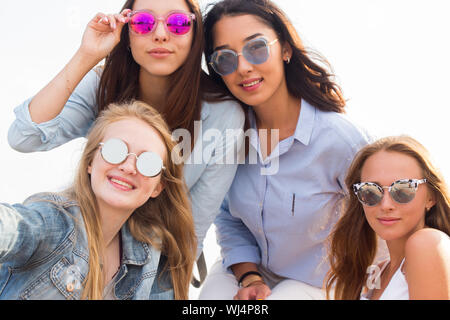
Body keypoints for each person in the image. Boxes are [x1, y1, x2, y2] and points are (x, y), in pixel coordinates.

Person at [7, 0, 244, 259]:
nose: (161, 35)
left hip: (151, 258)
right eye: (143, 23)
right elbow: (24, 137)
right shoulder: (104, 85)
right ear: (127, 33)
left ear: (196, 35)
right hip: (79, 239)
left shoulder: (224, 116)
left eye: (178, 23)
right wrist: (87, 55)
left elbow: (191, 231)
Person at [198, 0, 371, 300]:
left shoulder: (340, 140)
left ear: (286, 49)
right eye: (225, 58)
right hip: (251, 272)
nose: (243, 68)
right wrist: (249, 276)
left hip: (323, 284)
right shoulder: (228, 135)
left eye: (257, 48)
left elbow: (385, 218)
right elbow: (228, 217)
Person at [0, 101, 197, 300]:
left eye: (148, 162)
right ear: (90, 161)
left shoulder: (151, 251)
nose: (129, 167)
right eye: (115, 150)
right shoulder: (53, 222)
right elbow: (10, 227)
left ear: (158, 187)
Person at [325, 135, 450, 300]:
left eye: (403, 189)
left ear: (431, 198)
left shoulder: (427, 243)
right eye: (370, 191)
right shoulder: (377, 272)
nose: (385, 205)